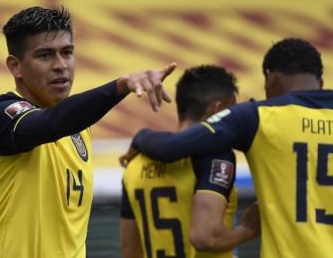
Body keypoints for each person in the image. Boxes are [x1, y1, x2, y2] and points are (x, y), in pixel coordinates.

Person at [0, 6, 177, 258]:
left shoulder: (79, 128)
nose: (60, 65)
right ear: (16, 67)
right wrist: (120, 86)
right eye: (45, 55)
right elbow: (50, 123)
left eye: (67, 53)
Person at [122, 38, 333, 258]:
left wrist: (141, 136)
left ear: (269, 78)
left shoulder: (256, 116)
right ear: (320, 81)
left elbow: (172, 147)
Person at [120, 65, 260, 258]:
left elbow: (129, 252)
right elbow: (207, 238)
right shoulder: (216, 157)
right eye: (231, 113)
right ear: (217, 110)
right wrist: (247, 230)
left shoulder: (135, 162)